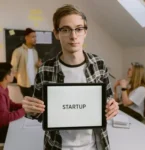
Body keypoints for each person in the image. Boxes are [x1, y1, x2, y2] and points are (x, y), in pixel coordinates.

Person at [22, 4, 119, 150]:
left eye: (79, 29)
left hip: (94, 146)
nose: (73, 36)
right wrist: (32, 110)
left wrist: (113, 106)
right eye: (65, 30)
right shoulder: (45, 69)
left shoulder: (98, 64)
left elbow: (108, 99)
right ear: (56, 33)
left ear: (85, 32)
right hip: (57, 145)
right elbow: (41, 115)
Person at [11, 28, 42, 97]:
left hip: (34, 83)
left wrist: (38, 66)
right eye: (33, 37)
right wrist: (20, 79)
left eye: (35, 37)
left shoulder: (35, 52)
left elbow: (33, 67)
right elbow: (12, 68)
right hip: (24, 83)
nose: (35, 39)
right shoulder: (18, 51)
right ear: (26, 38)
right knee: (30, 103)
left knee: (34, 103)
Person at [0, 63, 25, 143]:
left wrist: (24, 105)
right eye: (11, 72)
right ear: (5, 76)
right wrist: (25, 111)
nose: (13, 74)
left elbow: (10, 105)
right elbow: (4, 119)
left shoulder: (4, 88)